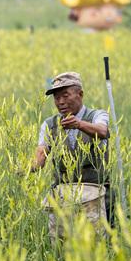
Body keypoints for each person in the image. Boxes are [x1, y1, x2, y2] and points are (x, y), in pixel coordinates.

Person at [31, 72, 110, 240]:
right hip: (62, 197)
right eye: (56, 98)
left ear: (80, 94)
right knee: (61, 245)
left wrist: (79, 124)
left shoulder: (97, 116)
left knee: (94, 245)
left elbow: (103, 131)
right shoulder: (49, 125)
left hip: (94, 195)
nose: (60, 102)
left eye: (65, 95)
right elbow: (41, 155)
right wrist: (26, 169)